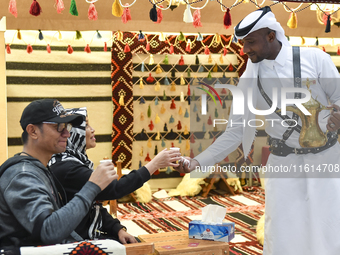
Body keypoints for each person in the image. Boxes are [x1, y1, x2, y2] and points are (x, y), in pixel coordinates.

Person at [175, 6, 340, 255]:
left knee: (327, 231)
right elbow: (234, 133)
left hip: (326, 160)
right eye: (242, 43)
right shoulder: (248, 80)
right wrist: (196, 162)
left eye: (250, 42)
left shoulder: (315, 59)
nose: (245, 50)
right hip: (283, 164)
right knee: (283, 234)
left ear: (271, 36)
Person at [0, 99, 119, 253]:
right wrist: (92, 186)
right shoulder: (22, 175)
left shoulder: (39, 168)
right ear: (33, 131)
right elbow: (49, 231)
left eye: (67, 126)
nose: (67, 133)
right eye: (59, 127)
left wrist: (116, 229)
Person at [49, 107, 182, 243]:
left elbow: (93, 206)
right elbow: (115, 189)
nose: (93, 129)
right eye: (87, 125)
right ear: (73, 133)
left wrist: (118, 229)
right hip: (76, 241)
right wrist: (154, 165)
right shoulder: (67, 168)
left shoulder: (70, 161)